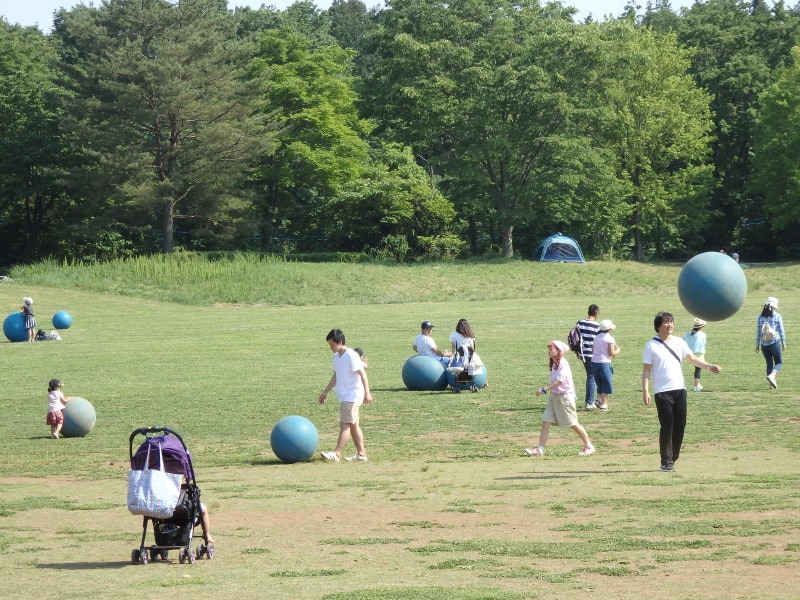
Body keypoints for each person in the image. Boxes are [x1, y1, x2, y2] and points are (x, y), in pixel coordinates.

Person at [642, 312, 721, 472]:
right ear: (658, 326)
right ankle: (666, 461)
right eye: (666, 322)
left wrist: (708, 366)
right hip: (662, 392)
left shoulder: (679, 342)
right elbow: (647, 370)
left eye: (671, 322)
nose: (669, 325)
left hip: (680, 389)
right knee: (667, 425)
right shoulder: (651, 345)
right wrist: (646, 391)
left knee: (680, 425)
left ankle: (673, 457)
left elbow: (692, 358)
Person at [524, 340, 595, 457]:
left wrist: (544, 389)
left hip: (564, 397)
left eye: (551, 349)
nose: (549, 352)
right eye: (548, 349)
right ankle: (539, 449)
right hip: (554, 397)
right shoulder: (553, 364)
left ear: (559, 351)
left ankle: (589, 445)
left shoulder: (563, 363)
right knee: (546, 422)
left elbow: (559, 381)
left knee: (573, 423)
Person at [319, 329, 374, 462]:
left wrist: (367, 392)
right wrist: (325, 391)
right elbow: (336, 375)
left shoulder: (351, 355)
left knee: (345, 425)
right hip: (345, 396)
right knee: (354, 425)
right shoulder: (336, 357)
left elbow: (362, 373)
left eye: (332, 345)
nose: (330, 348)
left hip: (353, 395)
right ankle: (362, 454)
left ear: (340, 342)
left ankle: (336, 454)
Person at [756, 296, 786, 389]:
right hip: (774, 342)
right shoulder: (777, 316)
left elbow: (758, 331)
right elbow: (781, 330)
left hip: (763, 344)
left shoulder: (760, 317)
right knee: (779, 362)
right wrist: (783, 342)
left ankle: (771, 384)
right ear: (774, 306)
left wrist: (757, 344)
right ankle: (772, 376)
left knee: (769, 363)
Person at [575, 304, 601, 409]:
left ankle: (594, 399)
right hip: (593, 354)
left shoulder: (580, 323)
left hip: (583, 353)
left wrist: (577, 352)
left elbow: (575, 338)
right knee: (592, 376)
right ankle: (589, 402)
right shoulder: (597, 326)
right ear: (596, 313)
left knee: (591, 375)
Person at [590, 319, 620, 411]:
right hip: (604, 362)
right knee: (606, 382)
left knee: (599, 381)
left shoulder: (596, 337)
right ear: (609, 329)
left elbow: (593, 349)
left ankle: (598, 399)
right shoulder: (609, 338)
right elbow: (611, 352)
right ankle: (604, 403)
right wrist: (618, 350)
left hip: (594, 362)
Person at [683, 318, 707, 391]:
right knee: (698, 368)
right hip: (698, 353)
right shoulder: (702, 335)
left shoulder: (687, 334)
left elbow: (683, 341)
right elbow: (703, 343)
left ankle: (697, 384)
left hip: (688, 353)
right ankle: (696, 385)